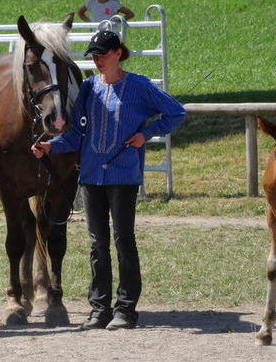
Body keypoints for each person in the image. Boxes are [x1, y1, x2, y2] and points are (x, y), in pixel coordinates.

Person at [31, 29, 185, 330]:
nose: (97, 60)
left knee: (123, 240)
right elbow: (77, 134)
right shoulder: (89, 88)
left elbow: (175, 112)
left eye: (102, 55)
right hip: (90, 177)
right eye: (94, 56)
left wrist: (146, 134)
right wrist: (51, 146)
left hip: (123, 176)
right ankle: (99, 308)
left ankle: (126, 309)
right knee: (96, 243)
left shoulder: (139, 86)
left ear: (118, 53)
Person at [78, 0, 134, 77]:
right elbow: (80, 12)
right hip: (95, 36)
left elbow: (130, 14)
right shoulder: (91, 2)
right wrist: (88, 21)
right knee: (87, 64)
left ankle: (109, 81)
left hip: (108, 37)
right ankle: (94, 83)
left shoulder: (113, 4)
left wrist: (117, 20)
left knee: (108, 62)